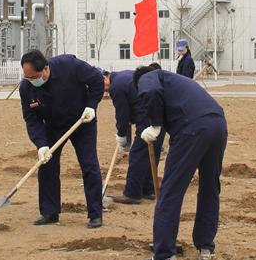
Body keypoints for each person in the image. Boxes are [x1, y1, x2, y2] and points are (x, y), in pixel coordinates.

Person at [133, 66, 228, 260]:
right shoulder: (176, 83)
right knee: (210, 186)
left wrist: (155, 124)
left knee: (171, 189)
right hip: (218, 124)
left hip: (192, 128)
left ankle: (165, 257)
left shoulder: (148, 76)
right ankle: (206, 246)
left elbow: (149, 92)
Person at [19, 50, 104, 229]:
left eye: (34, 76)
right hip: (53, 125)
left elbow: (97, 79)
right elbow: (31, 119)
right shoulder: (26, 88)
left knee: (89, 164)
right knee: (47, 164)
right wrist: (41, 144)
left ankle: (95, 214)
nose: (32, 81)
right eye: (28, 78)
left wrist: (91, 105)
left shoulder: (69, 65)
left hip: (82, 121)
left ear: (46, 69)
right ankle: (50, 212)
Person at [103, 65, 164, 204]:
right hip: (158, 116)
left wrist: (121, 135)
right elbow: (129, 115)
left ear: (104, 78)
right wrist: (125, 137)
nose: (104, 92)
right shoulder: (124, 76)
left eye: (103, 88)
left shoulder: (116, 86)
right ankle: (148, 189)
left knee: (137, 155)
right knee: (150, 154)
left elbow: (122, 116)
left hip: (148, 118)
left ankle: (132, 193)